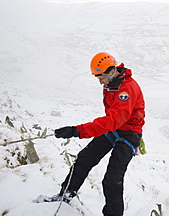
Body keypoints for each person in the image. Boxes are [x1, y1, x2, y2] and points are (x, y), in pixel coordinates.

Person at [48, 52, 145, 216]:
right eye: (98, 77)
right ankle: (65, 195)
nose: (100, 81)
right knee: (84, 159)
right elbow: (112, 120)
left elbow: (113, 120)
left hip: (128, 134)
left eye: (101, 77)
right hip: (114, 130)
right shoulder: (111, 84)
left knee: (112, 180)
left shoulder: (126, 89)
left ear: (112, 70)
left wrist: (77, 130)